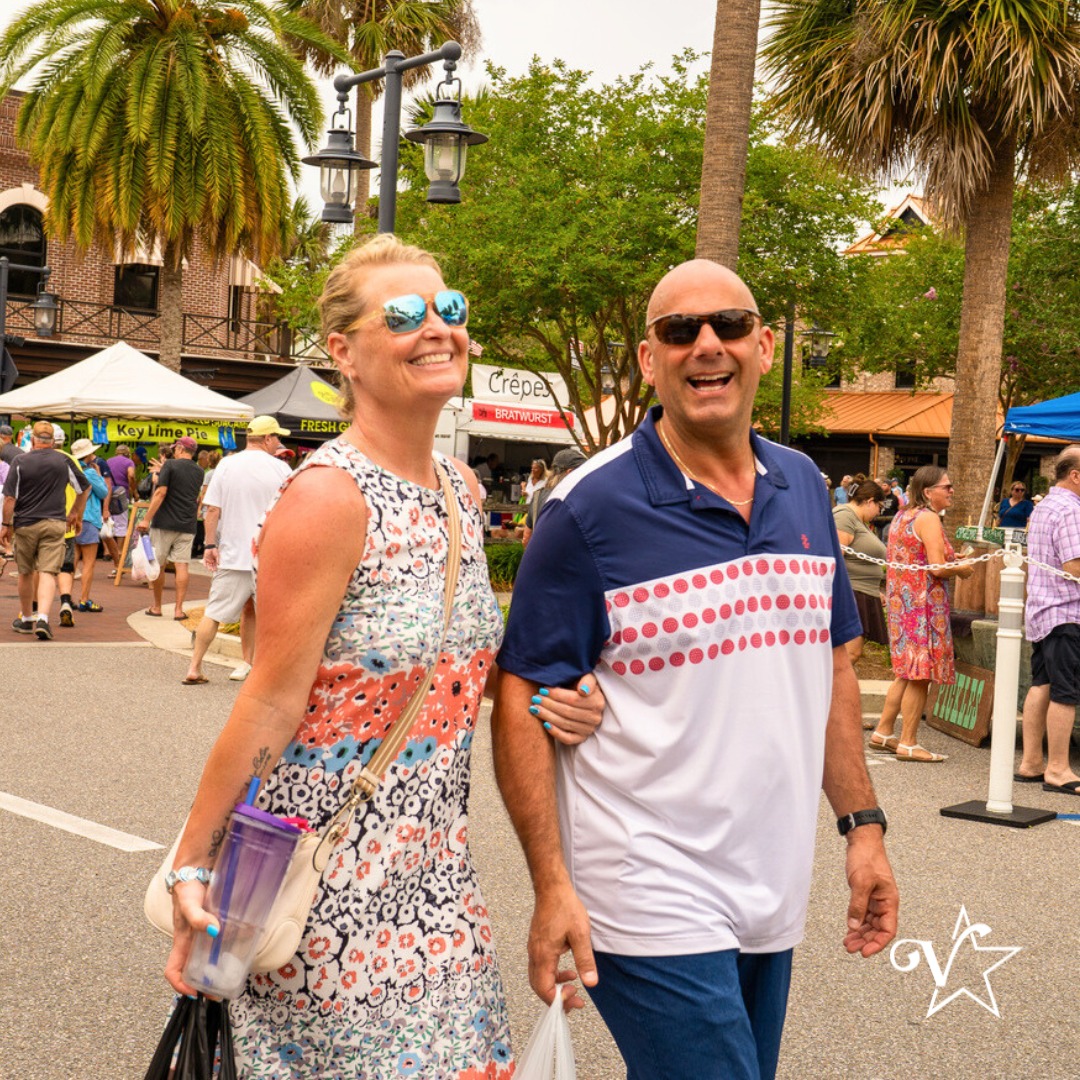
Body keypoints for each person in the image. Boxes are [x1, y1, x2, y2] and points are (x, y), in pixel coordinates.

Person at [161, 234, 605, 1076]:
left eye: (451, 310)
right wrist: (194, 862)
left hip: (439, 884)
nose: (438, 328)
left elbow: (459, 675)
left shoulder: (462, 491)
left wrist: (565, 702)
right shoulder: (329, 497)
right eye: (404, 315)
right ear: (344, 353)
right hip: (324, 891)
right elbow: (270, 699)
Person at [494, 259, 897, 1080]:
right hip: (643, 882)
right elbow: (520, 696)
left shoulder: (804, 487)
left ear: (765, 345)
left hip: (769, 881)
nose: (706, 345)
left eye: (729, 326)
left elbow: (833, 671)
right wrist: (551, 887)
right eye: (680, 331)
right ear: (651, 359)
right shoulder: (587, 508)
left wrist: (864, 830)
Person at [869, 465, 973, 761]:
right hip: (922, 604)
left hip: (903, 603)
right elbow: (937, 568)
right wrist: (962, 569)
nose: (952, 491)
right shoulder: (927, 518)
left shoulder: (904, 515)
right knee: (919, 674)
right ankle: (909, 742)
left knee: (904, 671)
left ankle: (883, 731)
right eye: (946, 487)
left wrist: (953, 557)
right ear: (928, 492)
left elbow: (922, 555)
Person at [181, 416, 292, 685]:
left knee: (215, 613)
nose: (279, 442)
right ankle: (263, 668)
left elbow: (212, 510)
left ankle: (195, 667)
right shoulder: (282, 469)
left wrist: (209, 544)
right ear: (266, 438)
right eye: (276, 437)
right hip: (269, 555)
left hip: (233, 553)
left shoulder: (226, 465)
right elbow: (292, 512)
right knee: (272, 616)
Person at [1015, 446, 1080, 793]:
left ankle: (1031, 763)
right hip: (1067, 610)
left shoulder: (1045, 506)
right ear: (1075, 475)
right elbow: (1074, 566)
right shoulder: (1071, 510)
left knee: (1041, 683)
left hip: (1043, 608)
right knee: (1065, 690)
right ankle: (1058, 769)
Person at [1, 420, 90, 640]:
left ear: (32, 440)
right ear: (53, 441)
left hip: (25, 523)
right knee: (49, 571)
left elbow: (10, 497)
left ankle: (27, 618)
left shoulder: (20, 461)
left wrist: (5, 525)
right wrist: (74, 513)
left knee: (25, 571)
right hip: (55, 522)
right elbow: (84, 488)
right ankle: (43, 618)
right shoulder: (63, 460)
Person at [138, 437, 203, 619]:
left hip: (164, 522)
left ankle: (157, 606)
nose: (174, 451)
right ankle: (178, 610)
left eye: (175, 448)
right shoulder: (199, 471)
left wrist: (146, 519)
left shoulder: (171, 465)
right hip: (187, 524)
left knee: (158, 564)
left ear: (181, 449)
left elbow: (161, 492)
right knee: (182, 566)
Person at [833, 480, 888, 664]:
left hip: (862, 592)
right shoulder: (844, 516)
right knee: (848, 654)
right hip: (851, 593)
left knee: (850, 655)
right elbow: (836, 559)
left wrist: (875, 590)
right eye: (880, 506)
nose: (879, 512)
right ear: (869, 501)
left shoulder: (857, 520)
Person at [68, 438, 110, 613]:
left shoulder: (69, 469)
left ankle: (66, 597)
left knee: (71, 561)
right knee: (89, 562)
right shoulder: (90, 473)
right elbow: (104, 492)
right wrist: (98, 475)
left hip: (70, 516)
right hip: (88, 518)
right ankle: (84, 599)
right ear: (88, 455)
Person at [521, 447, 586, 548]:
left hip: (540, 559)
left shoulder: (538, 496)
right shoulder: (575, 498)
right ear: (570, 473)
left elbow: (526, 539)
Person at [103, 443, 137, 564]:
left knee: (107, 522)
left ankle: (107, 551)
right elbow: (131, 475)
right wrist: (133, 488)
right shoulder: (129, 462)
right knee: (121, 524)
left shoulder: (108, 461)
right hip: (122, 495)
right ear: (127, 453)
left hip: (107, 494)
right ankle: (119, 551)